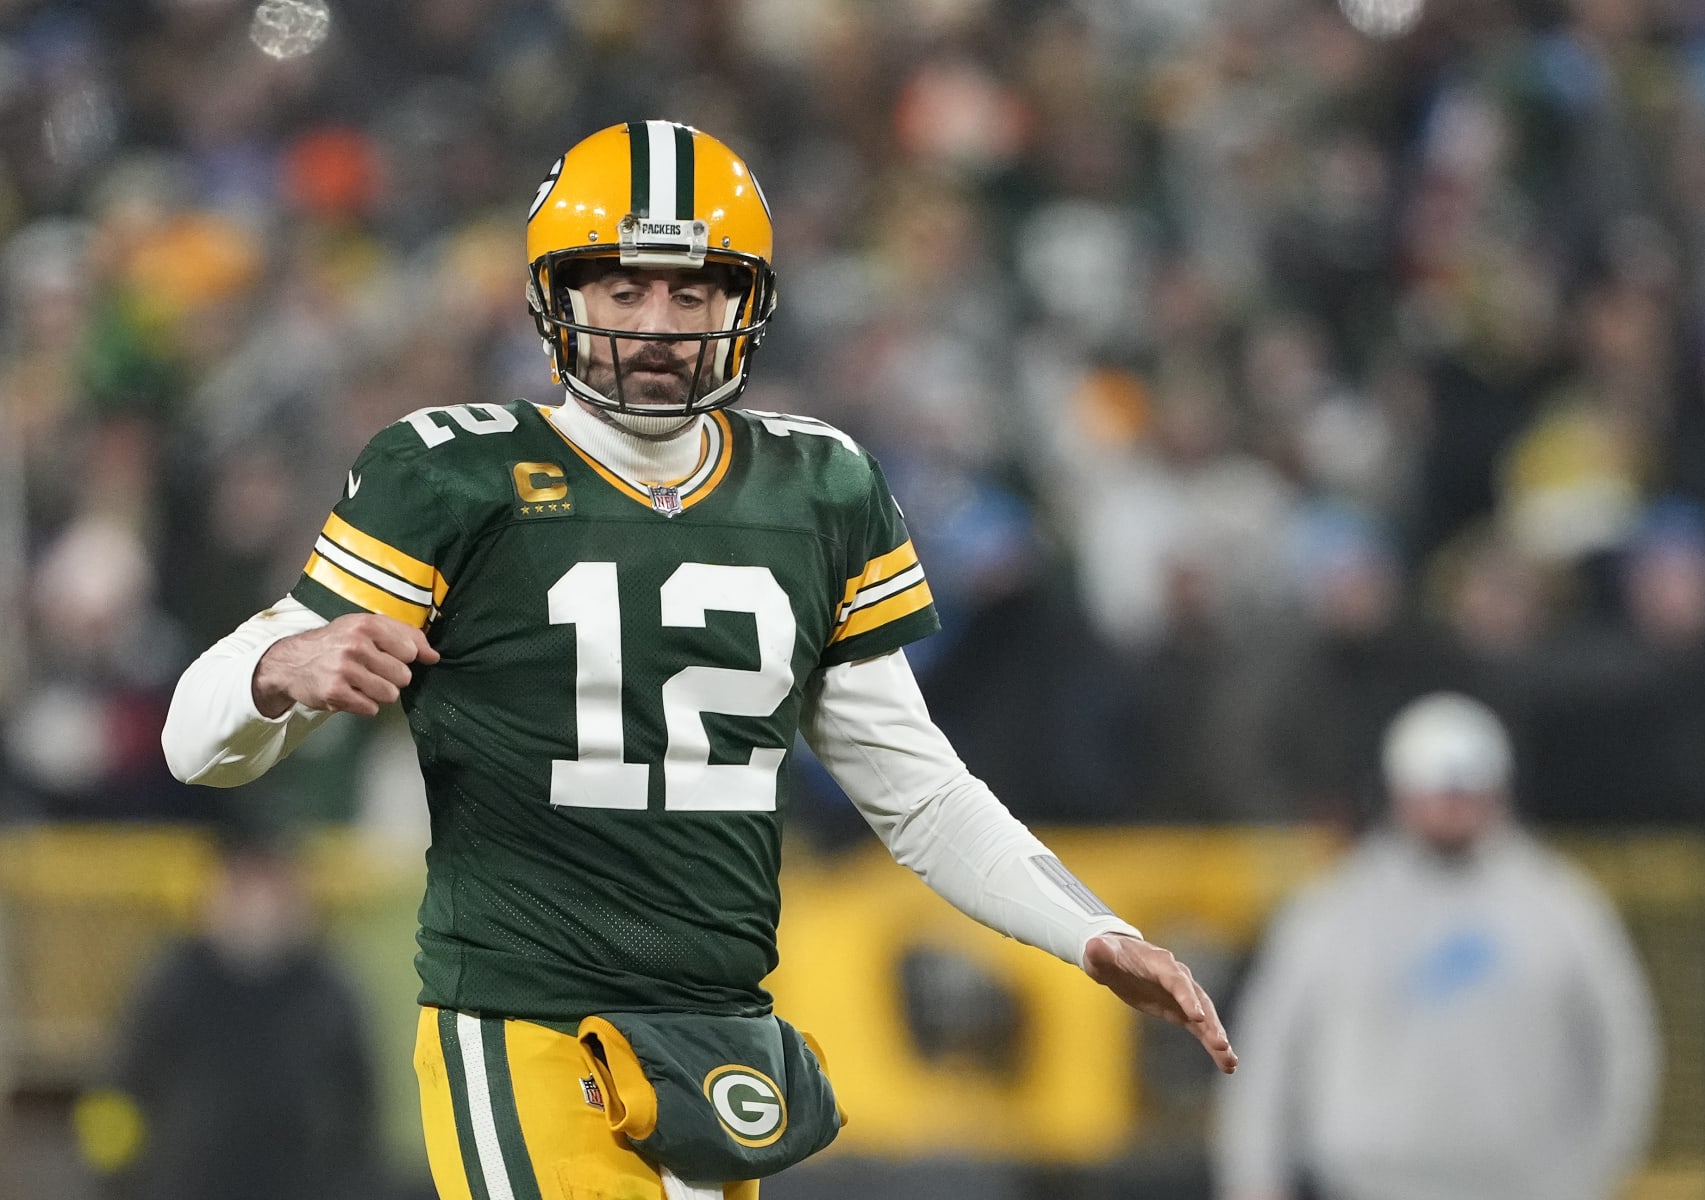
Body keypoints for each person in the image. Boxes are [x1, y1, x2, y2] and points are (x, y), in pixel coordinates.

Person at [161, 121, 1236, 1200]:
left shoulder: (821, 485)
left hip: (717, 1037)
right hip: (527, 1020)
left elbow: (920, 795)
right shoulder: (450, 473)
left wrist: (1091, 933)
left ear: (745, 302)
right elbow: (191, 744)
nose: (659, 326)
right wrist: (276, 668)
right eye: (623, 291)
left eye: (692, 292)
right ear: (558, 297)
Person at [1214, 691, 1659, 1200]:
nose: (1451, 808)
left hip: (1525, 1185)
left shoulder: (1562, 907)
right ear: (1398, 791)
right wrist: (1253, 1178)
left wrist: (1592, 1173)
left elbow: (1623, 1047)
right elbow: (1267, 1056)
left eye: (1465, 790)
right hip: (1370, 1184)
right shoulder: (1333, 912)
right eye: (1436, 790)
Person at [84, 829, 378, 1200]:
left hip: (296, 1182)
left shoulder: (326, 987)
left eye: (271, 885)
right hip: (184, 1184)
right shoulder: (176, 980)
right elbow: (120, 1087)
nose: (258, 905)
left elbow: (358, 1108)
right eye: (242, 885)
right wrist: (113, 1179)